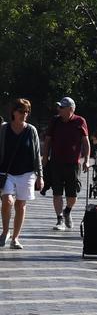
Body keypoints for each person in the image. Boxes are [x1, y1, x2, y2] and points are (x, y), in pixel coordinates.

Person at [0, 99, 44, 249]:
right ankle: (5, 232)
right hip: (6, 172)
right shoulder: (4, 129)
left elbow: (37, 154)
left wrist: (40, 176)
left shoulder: (31, 130)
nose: (24, 114)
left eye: (26, 112)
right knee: (7, 201)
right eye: (21, 111)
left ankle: (15, 238)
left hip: (26, 172)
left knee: (21, 204)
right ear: (14, 112)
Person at [42, 96, 90, 232]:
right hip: (56, 162)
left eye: (62, 108)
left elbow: (86, 142)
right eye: (59, 107)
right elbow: (48, 140)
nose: (59, 110)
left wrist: (86, 160)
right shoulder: (55, 121)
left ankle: (67, 210)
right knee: (56, 192)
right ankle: (59, 220)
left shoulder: (80, 121)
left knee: (72, 195)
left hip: (73, 164)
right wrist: (45, 158)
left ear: (70, 109)